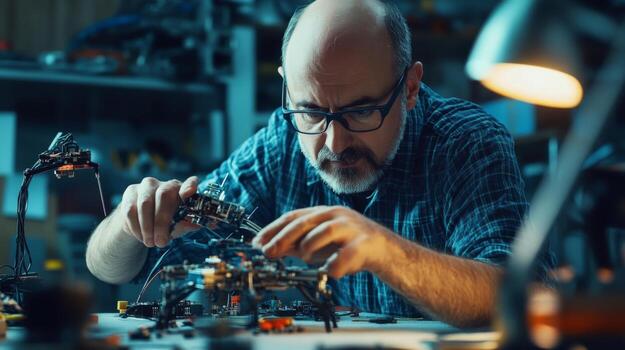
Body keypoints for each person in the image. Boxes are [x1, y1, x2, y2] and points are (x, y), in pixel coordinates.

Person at [86, 0, 550, 327]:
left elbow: (515, 297)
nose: (334, 140)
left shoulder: (466, 141)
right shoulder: (282, 142)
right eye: (311, 110)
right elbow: (114, 268)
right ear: (287, 88)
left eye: (361, 111)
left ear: (410, 87)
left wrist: (384, 251)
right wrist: (131, 224)